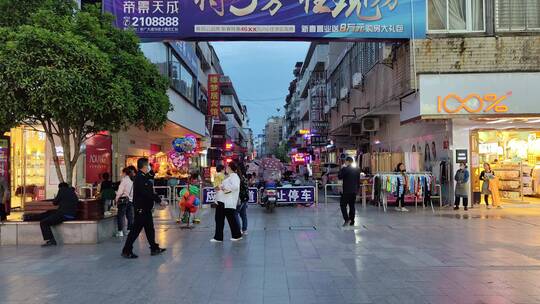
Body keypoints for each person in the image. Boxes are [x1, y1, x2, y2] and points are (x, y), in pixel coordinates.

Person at [121, 158, 166, 259]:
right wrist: (159, 200)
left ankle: (154, 248)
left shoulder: (142, 176)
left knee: (150, 229)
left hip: (146, 209)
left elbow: (149, 177)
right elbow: (148, 193)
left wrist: (153, 171)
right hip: (141, 209)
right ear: (145, 166)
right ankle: (126, 250)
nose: (149, 168)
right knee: (135, 231)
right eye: (148, 166)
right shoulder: (140, 178)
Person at [211, 162, 242, 242]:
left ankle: (236, 235)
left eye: (227, 167)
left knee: (228, 219)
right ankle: (219, 237)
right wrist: (220, 187)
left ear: (230, 168)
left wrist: (224, 187)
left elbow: (235, 186)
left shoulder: (234, 176)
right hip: (223, 200)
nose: (226, 168)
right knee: (220, 219)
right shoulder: (229, 176)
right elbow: (224, 185)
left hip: (227, 201)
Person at [338, 157, 360, 226]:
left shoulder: (345, 169)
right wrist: (357, 190)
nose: (345, 163)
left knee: (343, 205)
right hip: (354, 191)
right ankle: (352, 221)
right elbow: (358, 181)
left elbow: (339, 176)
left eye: (345, 161)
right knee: (352, 205)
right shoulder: (357, 169)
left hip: (347, 191)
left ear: (347, 162)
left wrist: (342, 168)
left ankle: (346, 219)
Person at [115, 167, 134, 237]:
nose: (121, 174)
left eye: (122, 173)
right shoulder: (132, 180)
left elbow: (120, 191)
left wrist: (117, 198)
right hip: (131, 201)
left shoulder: (124, 180)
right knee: (130, 216)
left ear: (125, 173)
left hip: (123, 201)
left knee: (120, 216)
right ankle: (129, 230)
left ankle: (120, 232)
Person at [235, 164, 249, 235]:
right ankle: (244, 229)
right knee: (243, 215)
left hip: (239, 198)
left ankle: (239, 229)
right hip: (244, 198)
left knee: (235, 214)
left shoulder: (237, 178)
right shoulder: (244, 177)